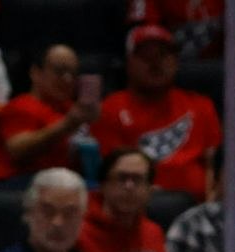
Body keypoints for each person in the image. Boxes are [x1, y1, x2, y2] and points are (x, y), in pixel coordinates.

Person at [90, 20, 217, 198]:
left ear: (176, 61)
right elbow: (108, 171)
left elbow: (214, 164)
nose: (155, 63)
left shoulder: (201, 105)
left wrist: (211, 200)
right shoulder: (109, 109)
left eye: (163, 55)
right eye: (145, 56)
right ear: (129, 63)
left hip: (195, 208)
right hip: (135, 206)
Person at [0, 42, 95, 183]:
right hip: (13, 181)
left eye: (73, 73)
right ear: (36, 73)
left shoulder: (72, 108)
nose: (68, 79)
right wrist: (68, 125)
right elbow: (17, 151)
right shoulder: (21, 106)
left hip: (58, 179)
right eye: (60, 71)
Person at [76, 145, 168, 252]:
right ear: (103, 185)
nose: (129, 187)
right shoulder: (79, 233)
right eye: (121, 178)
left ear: (150, 190)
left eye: (138, 179)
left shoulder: (154, 232)